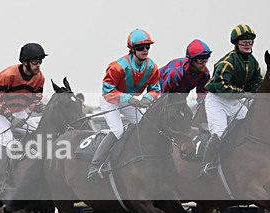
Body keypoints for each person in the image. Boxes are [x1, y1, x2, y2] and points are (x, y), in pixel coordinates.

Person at [88, 29, 160, 178]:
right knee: (118, 131)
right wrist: (129, 99)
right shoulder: (117, 67)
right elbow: (108, 91)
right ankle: (95, 166)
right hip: (110, 100)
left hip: (130, 102)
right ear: (132, 49)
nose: (145, 50)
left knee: (144, 126)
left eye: (148, 47)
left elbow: (155, 89)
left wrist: (148, 98)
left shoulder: (152, 67)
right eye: (141, 48)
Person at [199, 24, 262, 178]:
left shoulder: (253, 62)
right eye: (244, 42)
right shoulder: (226, 62)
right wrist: (243, 93)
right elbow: (221, 85)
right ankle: (206, 166)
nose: (248, 45)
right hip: (217, 100)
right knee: (219, 133)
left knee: (248, 128)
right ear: (236, 43)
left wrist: (256, 91)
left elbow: (258, 81)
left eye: (250, 42)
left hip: (235, 102)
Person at [0, 42, 46, 195]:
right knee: (8, 142)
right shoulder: (8, 75)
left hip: (18, 110)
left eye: (40, 62)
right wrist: (11, 119)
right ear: (25, 62)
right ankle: (2, 184)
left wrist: (37, 107)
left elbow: (34, 100)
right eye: (35, 62)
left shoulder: (40, 78)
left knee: (38, 132)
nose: (38, 66)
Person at [159, 39, 212, 105]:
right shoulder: (176, 72)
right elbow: (164, 94)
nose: (204, 63)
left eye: (206, 58)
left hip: (180, 93)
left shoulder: (205, 74)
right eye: (200, 59)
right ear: (191, 60)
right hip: (160, 86)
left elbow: (203, 96)